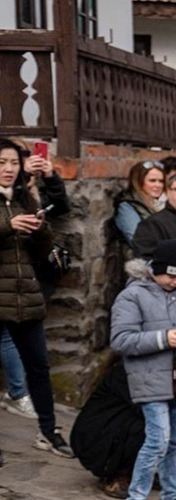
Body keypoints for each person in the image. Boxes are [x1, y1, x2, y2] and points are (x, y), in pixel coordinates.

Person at [110, 240, 176, 500]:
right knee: (158, 441)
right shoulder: (132, 295)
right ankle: (136, 496)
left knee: (175, 444)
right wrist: (164, 339)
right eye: (170, 275)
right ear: (156, 269)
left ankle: (171, 495)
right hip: (150, 381)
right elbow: (121, 339)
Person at [0, 139, 73, 458]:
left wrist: (41, 229)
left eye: (14, 163)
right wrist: (7, 225)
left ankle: (49, 431)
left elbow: (43, 248)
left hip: (25, 297)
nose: (8, 169)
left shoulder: (23, 198)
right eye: (2, 162)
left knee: (40, 368)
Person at [115, 161, 167, 242]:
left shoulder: (164, 203)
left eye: (161, 181)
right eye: (152, 181)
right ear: (139, 182)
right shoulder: (127, 207)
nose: (158, 185)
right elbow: (138, 240)